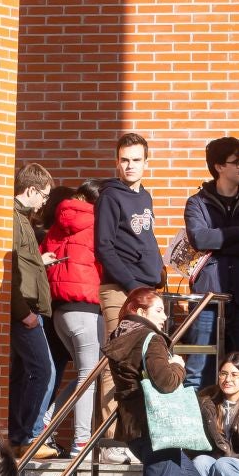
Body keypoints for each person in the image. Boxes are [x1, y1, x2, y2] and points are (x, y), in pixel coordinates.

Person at [105, 287, 200, 476]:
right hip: (159, 429)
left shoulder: (121, 336)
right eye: (159, 310)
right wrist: (179, 366)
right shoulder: (151, 338)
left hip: (136, 430)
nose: (164, 316)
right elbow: (166, 381)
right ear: (141, 311)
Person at [182, 136, 239, 380]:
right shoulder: (197, 203)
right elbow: (200, 239)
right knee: (199, 370)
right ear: (219, 167)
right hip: (208, 300)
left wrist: (220, 243)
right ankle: (201, 419)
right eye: (237, 161)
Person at [39, 181, 105, 454]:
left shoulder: (56, 224)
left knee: (82, 375)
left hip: (60, 311)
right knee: (88, 378)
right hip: (86, 309)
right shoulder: (96, 224)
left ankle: (44, 423)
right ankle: (81, 441)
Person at [10, 162, 58, 460]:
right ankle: (29, 435)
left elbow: (24, 265)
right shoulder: (14, 220)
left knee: (24, 373)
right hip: (24, 311)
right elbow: (11, 271)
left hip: (26, 309)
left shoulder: (22, 220)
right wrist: (23, 312)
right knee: (44, 369)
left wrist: (42, 261)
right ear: (31, 189)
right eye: (44, 195)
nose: (44, 202)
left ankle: (19, 435)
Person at [96, 133, 163, 335]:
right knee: (117, 358)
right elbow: (103, 247)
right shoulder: (110, 196)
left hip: (145, 288)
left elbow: (144, 238)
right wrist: (131, 286)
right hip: (120, 290)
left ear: (146, 163)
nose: (130, 165)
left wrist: (158, 271)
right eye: (124, 160)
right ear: (117, 162)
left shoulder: (145, 196)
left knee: (142, 358)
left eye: (136, 160)